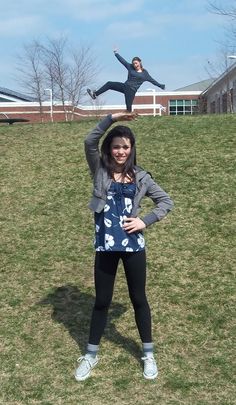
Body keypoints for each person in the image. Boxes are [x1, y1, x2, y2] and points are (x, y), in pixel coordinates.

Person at [75, 112, 173, 382]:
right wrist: (114, 117)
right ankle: (90, 355)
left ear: (132, 149)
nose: (120, 151)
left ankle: (148, 354)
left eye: (125, 147)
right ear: (110, 148)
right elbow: (89, 140)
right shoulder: (100, 170)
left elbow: (166, 202)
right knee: (102, 301)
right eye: (116, 146)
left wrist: (145, 221)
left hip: (133, 247)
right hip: (105, 247)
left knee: (139, 299)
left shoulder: (141, 177)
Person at [87, 49, 165, 112]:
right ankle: (95, 94)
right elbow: (123, 61)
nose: (135, 65)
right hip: (125, 86)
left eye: (136, 63)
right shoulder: (130, 67)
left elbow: (152, 80)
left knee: (128, 108)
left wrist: (161, 86)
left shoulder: (145, 73)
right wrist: (116, 53)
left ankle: (129, 117)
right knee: (109, 84)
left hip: (131, 91)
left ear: (140, 62)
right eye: (134, 64)